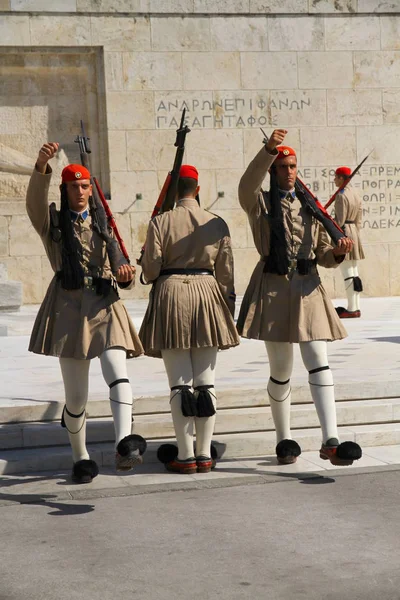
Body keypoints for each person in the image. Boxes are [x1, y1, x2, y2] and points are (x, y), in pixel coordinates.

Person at [237, 129, 362, 467]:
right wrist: (268, 151)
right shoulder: (260, 202)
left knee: (318, 361)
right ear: (273, 171)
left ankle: (330, 440)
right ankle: (284, 439)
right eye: (282, 166)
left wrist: (336, 251)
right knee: (282, 370)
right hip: (274, 286)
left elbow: (321, 252)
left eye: (292, 166)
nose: (289, 171)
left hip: (308, 285)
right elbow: (245, 186)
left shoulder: (311, 207)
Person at [26, 142, 147, 484]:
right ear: (64, 190)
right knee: (76, 398)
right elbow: (33, 205)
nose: (80, 191)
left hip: (105, 305)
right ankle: (80, 456)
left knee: (118, 373)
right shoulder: (53, 224)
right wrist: (41, 167)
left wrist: (125, 274)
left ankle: (125, 442)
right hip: (68, 307)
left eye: (84, 186)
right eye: (74, 187)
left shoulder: (104, 224)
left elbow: (120, 265)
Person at [139, 165, 239, 474]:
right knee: (205, 383)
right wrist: (227, 309)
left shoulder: (160, 222)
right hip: (207, 293)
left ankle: (184, 456)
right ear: (198, 188)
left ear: (174, 190)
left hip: (171, 295)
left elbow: (151, 271)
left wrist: (146, 258)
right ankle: (205, 454)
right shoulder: (216, 222)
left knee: (179, 385)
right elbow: (225, 273)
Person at [333, 166, 365, 318]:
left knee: (347, 272)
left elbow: (339, 220)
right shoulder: (356, 194)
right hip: (354, 232)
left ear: (341, 178)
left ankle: (352, 309)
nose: (334, 180)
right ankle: (356, 306)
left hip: (344, 231)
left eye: (336, 177)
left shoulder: (341, 195)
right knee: (354, 271)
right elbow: (359, 220)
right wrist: (354, 234)